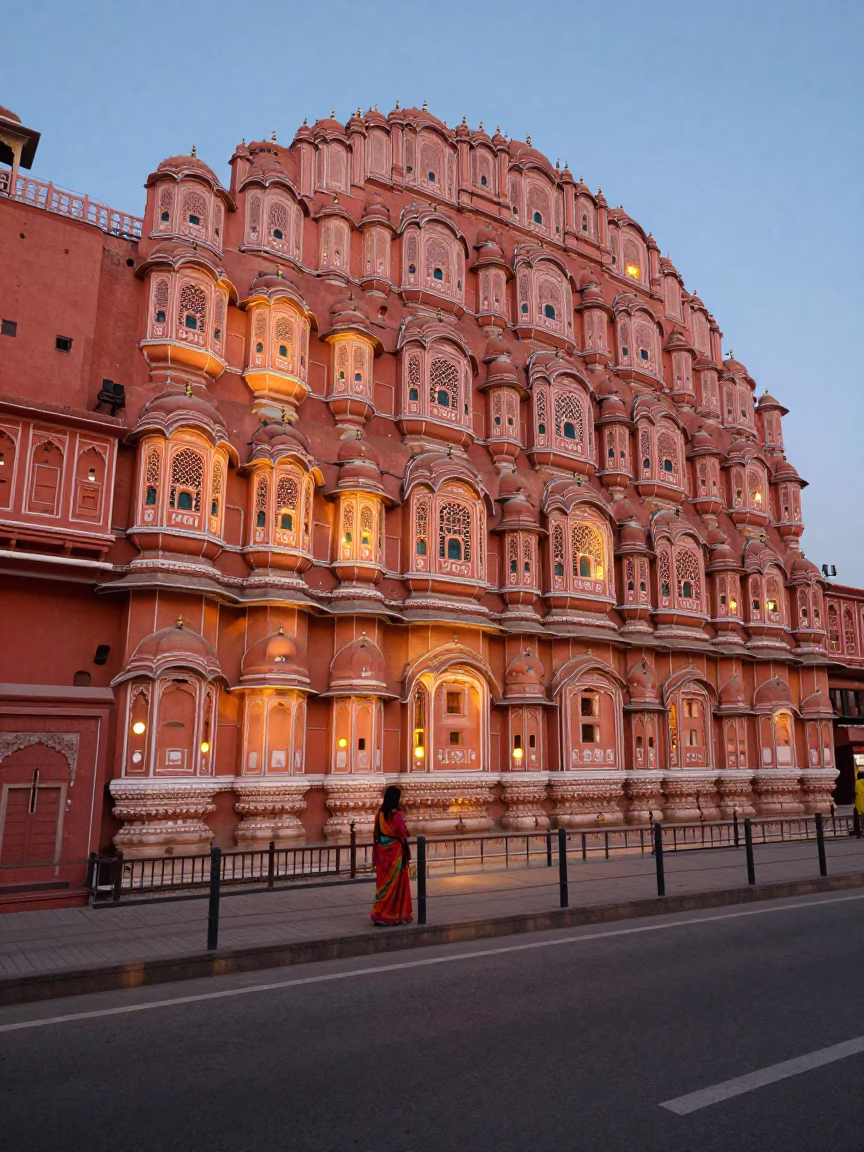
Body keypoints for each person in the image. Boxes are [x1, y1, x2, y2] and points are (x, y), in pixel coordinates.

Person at [371, 785, 413, 925]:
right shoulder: (397, 815)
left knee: (383, 884)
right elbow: (402, 833)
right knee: (396, 885)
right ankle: (393, 914)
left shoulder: (380, 814)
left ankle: (379, 912)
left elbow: (376, 833)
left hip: (382, 853)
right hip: (395, 854)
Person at [854, 770, 864, 838]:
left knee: (861, 820)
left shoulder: (857, 783)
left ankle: (860, 832)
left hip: (860, 805)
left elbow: (854, 793)